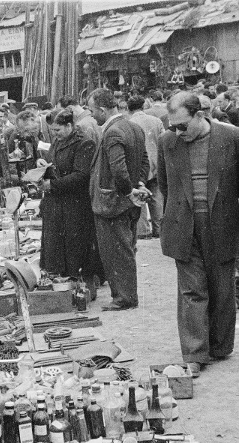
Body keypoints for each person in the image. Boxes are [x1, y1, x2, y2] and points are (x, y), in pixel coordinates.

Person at [157, 91, 239, 377]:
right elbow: (166, 187)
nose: (177, 132)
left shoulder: (231, 138)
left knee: (222, 288)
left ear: (200, 115)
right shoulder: (168, 142)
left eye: (182, 126)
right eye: (172, 126)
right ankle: (194, 354)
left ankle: (219, 346)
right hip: (184, 224)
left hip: (222, 224)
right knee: (192, 290)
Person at [87, 88, 150, 311]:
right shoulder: (133, 127)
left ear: (103, 109)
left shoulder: (112, 131)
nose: (91, 115)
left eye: (93, 110)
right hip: (125, 202)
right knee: (126, 248)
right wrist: (139, 185)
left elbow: (118, 169)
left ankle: (124, 297)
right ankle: (125, 295)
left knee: (116, 251)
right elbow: (144, 161)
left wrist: (128, 191)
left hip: (112, 204)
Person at [37, 109, 97, 295]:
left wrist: (52, 185)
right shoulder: (59, 141)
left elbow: (81, 175)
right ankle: (65, 282)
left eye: (57, 130)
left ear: (69, 125)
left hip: (75, 204)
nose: (54, 134)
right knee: (60, 245)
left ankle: (84, 285)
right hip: (58, 203)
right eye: (52, 130)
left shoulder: (84, 143)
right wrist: (43, 166)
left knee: (76, 246)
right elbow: (55, 163)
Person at [128, 95, 165, 238]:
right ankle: (159, 229)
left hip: (138, 165)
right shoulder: (156, 121)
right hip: (155, 163)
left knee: (139, 196)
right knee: (156, 196)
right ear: (143, 106)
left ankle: (143, 231)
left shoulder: (129, 123)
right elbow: (162, 141)